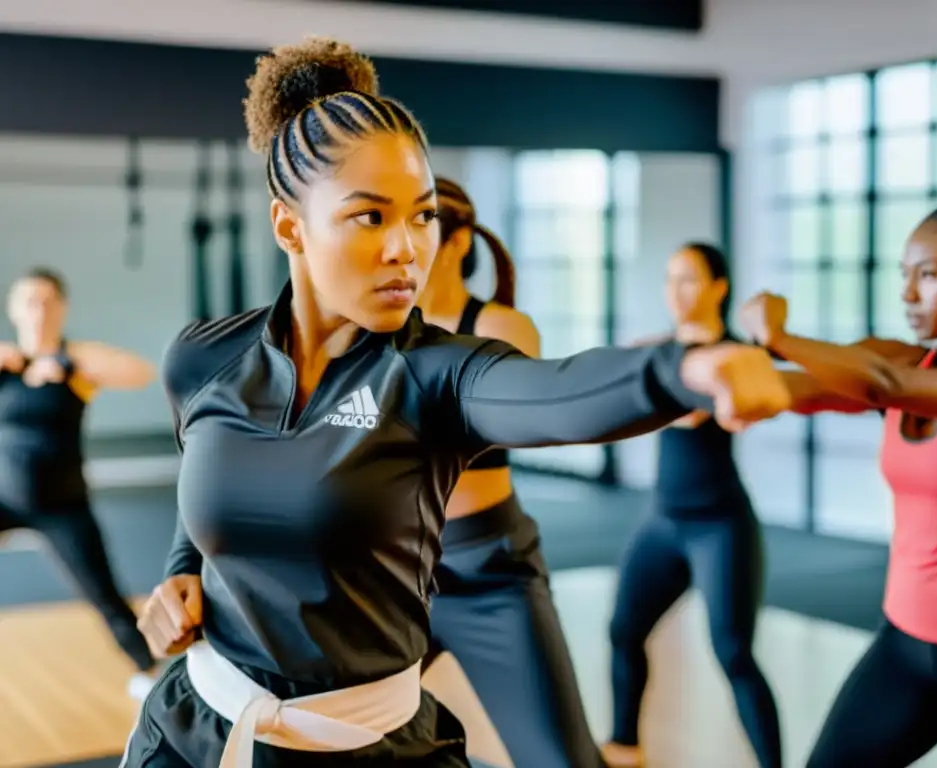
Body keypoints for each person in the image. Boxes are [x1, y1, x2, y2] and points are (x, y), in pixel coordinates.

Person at [123, 36, 790, 768]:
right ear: (290, 226)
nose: (407, 248)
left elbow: (560, 392)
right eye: (370, 217)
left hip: (372, 739)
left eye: (422, 216)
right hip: (197, 730)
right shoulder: (202, 357)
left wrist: (685, 368)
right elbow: (213, 477)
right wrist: (182, 573)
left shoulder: (437, 375)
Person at [740, 190, 937, 768]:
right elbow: (798, 388)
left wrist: (780, 337)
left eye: (928, 275)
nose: (907, 294)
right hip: (904, 642)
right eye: (904, 275)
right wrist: (703, 377)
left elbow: (877, 387)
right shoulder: (899, 360)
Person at [416, 177, 604, 767]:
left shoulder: (502, 329)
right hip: (397, 575)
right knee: (313, 737)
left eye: (423, 226)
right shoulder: (375, 327)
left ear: (457, 241)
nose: (404, 244)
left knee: (560, 761)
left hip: (488, 569)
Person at [601, 244, 782, 768]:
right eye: (669, 279)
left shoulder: (729, 356)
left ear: (718, 287)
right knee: (624, 631)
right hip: (663, 522)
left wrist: (644, 377)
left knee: (733, 654)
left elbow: (684, 410)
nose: (675, 292)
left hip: (719, 527)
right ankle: (623, 747)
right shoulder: (661, 351)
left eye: (689, 280)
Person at [0, 267, 160, 699]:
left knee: (105, 597)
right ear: (14, 309)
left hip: (63, 507)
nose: (39, 310)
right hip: (5, 499)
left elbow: (141, 372)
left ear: (61, 307)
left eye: (48, 301)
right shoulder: (5, 363)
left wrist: (68, 363)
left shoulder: (78, 365)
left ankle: (151, 673)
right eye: (29, 301)